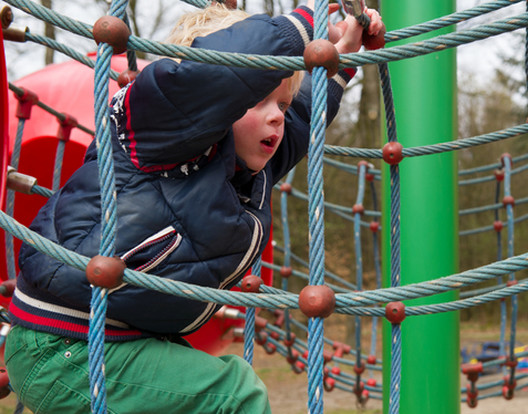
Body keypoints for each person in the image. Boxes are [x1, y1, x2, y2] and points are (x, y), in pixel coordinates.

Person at [3, 1, 383, 412]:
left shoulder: (246, 171)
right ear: (216, 102)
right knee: (233, 394)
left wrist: (338, 58)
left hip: (115, 338)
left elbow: (302, 117)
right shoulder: (156, 126)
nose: (276, 117)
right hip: (67, 344)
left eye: (282, 105)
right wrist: (305, 24)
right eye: (259, 101)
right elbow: (210, 79)